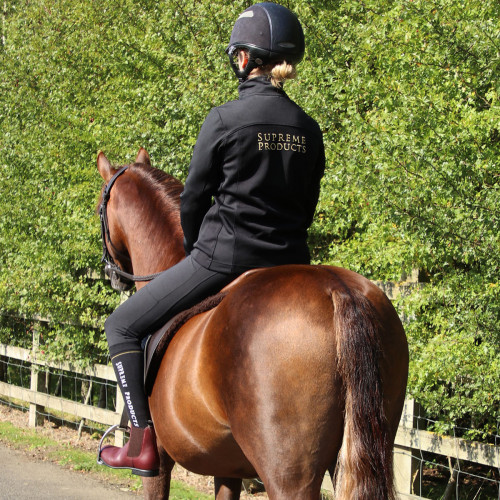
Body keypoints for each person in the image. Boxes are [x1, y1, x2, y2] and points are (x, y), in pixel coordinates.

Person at [97, 2, 325, 476]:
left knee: (120, 326)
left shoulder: (223, 120)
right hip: (292, 264)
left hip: (222, 259)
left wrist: (200, 251)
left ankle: (141, 441)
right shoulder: (308, 128)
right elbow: (306, 207)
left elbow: (194, 201)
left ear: (244, 59)